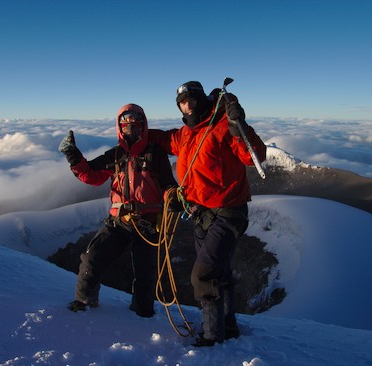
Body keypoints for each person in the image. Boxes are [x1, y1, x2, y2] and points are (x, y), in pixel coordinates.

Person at [148, 81, 267, 346]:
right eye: (182, 102)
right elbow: (161, 139)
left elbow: (254, 156)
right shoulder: (184, 135)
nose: (187, 105)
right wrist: (136, 130)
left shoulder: (224, 126)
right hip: (200, 213)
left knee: (203, 274)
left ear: (202, 100)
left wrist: (240, 125)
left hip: (228, 211)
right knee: (219, 271)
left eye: (191, 100)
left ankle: (212, 335)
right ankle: (228, 326)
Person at [58, 103, 178, 318]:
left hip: (148, 223)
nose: (130, 129)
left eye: (135, 124)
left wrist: (175, 197)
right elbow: (91, 175)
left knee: (145, 274)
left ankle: (142, 314)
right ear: (120, 128)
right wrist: (73, 155)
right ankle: (83, 303)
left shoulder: (155, 154)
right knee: (92, 258)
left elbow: (168, 185)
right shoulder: (116, 155)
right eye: (126, 125)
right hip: (120, 221)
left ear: (143, 126)